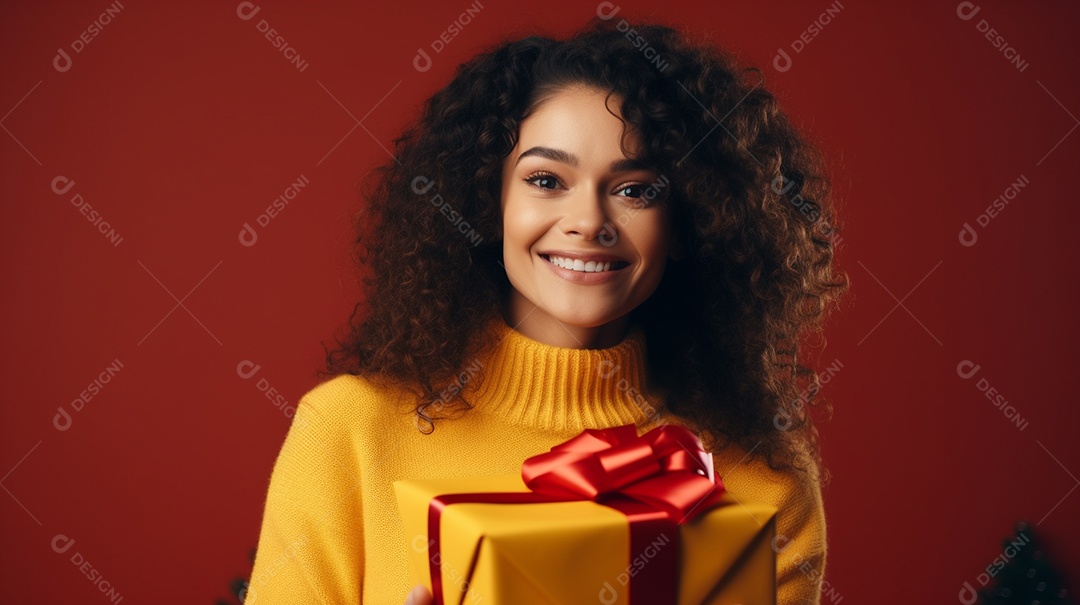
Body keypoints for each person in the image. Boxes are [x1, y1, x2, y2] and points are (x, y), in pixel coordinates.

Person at [246, 15, 849, 605]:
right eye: (545, 180)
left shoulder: (764, 479)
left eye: (635, 190)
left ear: (690, 222)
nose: (589, 222)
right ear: (488, 202)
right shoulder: (349, 433)